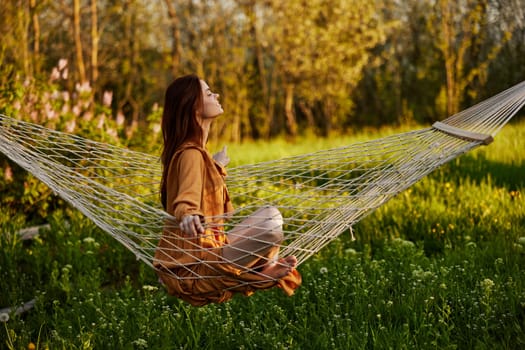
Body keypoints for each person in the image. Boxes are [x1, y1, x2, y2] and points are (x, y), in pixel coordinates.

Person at [153, 74, 301, 306]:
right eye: (209, 93)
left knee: (271, 215)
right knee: (271, 228)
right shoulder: (191, 154)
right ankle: (259, 275)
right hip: (194, 267)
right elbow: (185, 198)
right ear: (194, 107)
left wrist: (216, 166)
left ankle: (264, 269)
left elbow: (208, 196)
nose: (217, 95)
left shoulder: (196, 154)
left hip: (210, 252)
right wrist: (188, 213)